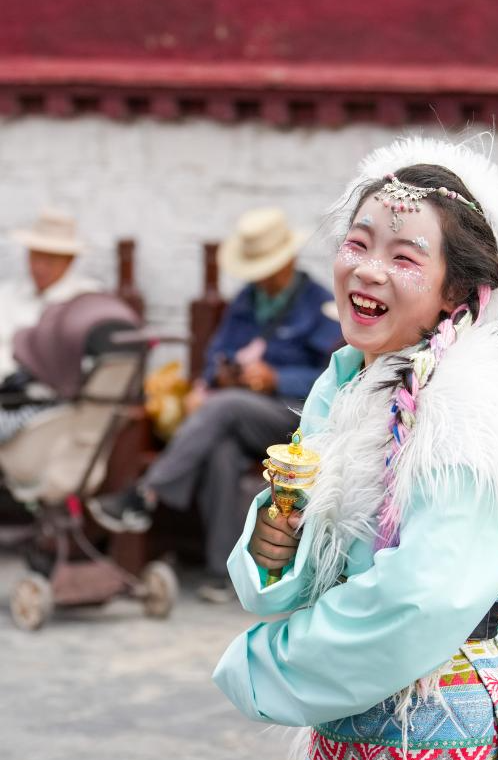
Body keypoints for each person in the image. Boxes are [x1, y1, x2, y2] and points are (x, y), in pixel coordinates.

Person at [212, 137, 498, 760]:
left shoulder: (467, 413)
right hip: (352, 719)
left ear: (456, 293)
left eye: (404, 256)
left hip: (424, 718)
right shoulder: (351, 383)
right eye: (358, 243)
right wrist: (277, 544)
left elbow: (421, 597)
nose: (367, 270)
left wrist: (266, 664)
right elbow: (321, 555)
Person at [89, 208, 341, 603]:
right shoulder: (245, 301)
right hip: (237, 412)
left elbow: (332, 376)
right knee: (221, 450)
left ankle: (146, 493)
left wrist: (274, 378)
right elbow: (215, 356)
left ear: (288, 260)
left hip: (292, 417)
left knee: (225, 407)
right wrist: (218, 377)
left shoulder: (320, 305)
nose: (262, 277)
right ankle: (224, 573)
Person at [0, 210, 99, 383]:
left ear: (69, 261)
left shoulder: (89, 302)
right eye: (35, 257)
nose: (39, 267)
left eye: (50, 260)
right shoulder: (6, 295)